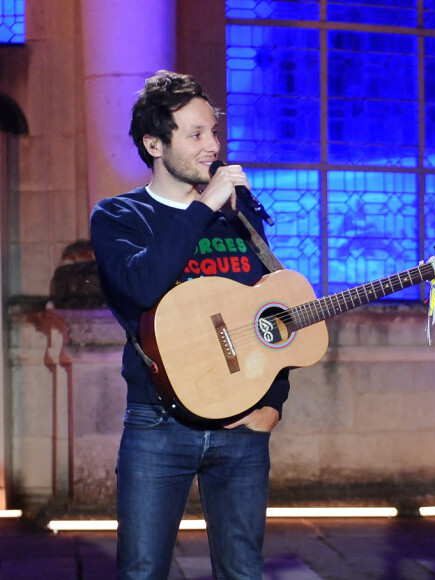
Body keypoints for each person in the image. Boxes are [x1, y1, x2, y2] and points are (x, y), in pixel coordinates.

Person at [90, 70, 290, 580]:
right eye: (195, 134)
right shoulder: (119, 216)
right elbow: (141, 287)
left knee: (243, 572)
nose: (212, 147)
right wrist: (202, 208)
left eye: (214, 133)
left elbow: (269, 311)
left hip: (242, 426)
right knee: (141, 571)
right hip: (159, 426)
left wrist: (273, 403)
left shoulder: (239, 216)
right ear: (153, 143)